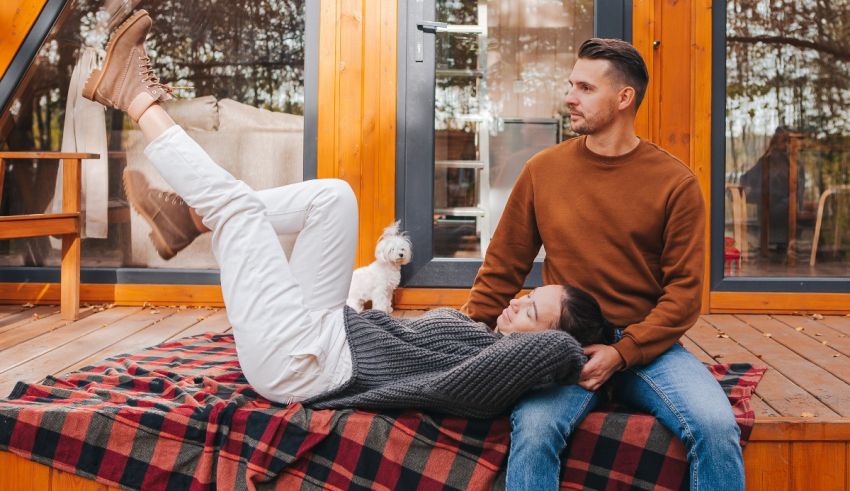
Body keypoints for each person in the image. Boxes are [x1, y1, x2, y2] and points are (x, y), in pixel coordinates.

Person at [83, 10, 615, 419]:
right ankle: (191, 222)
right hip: (324, 328)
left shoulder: (500, 374)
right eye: (530, 296)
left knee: (240, 211)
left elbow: (550, 351)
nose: (518, 304)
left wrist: (592, 352)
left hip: (298, 366)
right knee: (334, 197)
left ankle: (134, 96)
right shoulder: (488, 341)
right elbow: (523, 325)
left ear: (555, 342)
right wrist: (536, 314)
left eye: (532, 312)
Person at [461, 38, 744, 490]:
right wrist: (466, 336)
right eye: (571, 85)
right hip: (560, 344)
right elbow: (502, 268)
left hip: (646, 347)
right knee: (533, 431)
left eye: (585, 88)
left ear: (623, 98)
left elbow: (685, 295)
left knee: (715, 426)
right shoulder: (542, 170)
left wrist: (621, 352)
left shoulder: (675, 183)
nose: (570, 97)